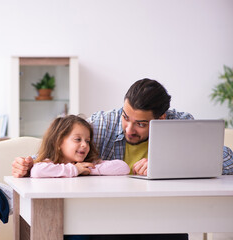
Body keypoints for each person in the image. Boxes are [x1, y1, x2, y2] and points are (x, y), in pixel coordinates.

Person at [12, 78, 233, 240]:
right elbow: (59, 150)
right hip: (109, 217)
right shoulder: (104, 123)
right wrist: (28, 164)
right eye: (126, 117)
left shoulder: (180, 124)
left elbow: (228, 161)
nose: (129, 129)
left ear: (161, 118)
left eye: (141, 124)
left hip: (163, 215)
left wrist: (171, 161)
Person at [30, 115, 130, 178]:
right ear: (58, 142)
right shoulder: (49, 163)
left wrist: (86, 170)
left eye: (87, 141)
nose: (84, 145)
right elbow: (37, 171)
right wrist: (75, 170)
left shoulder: (88, 164)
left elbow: (123, 167)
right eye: (77, 139)